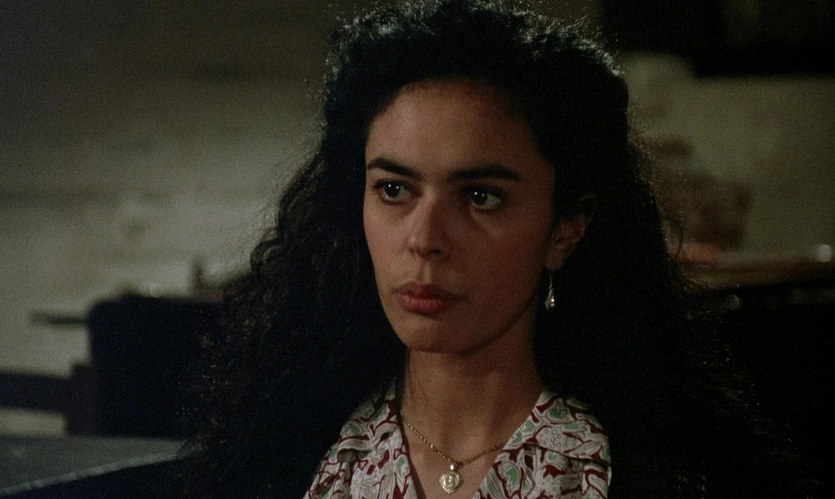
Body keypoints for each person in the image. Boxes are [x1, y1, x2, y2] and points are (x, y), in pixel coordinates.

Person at [180, 1, 818, 497]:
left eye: (480, 197)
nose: (424, 239)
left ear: (566, 228)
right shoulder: (287, 454)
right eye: (395, 189)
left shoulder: (651, 473)